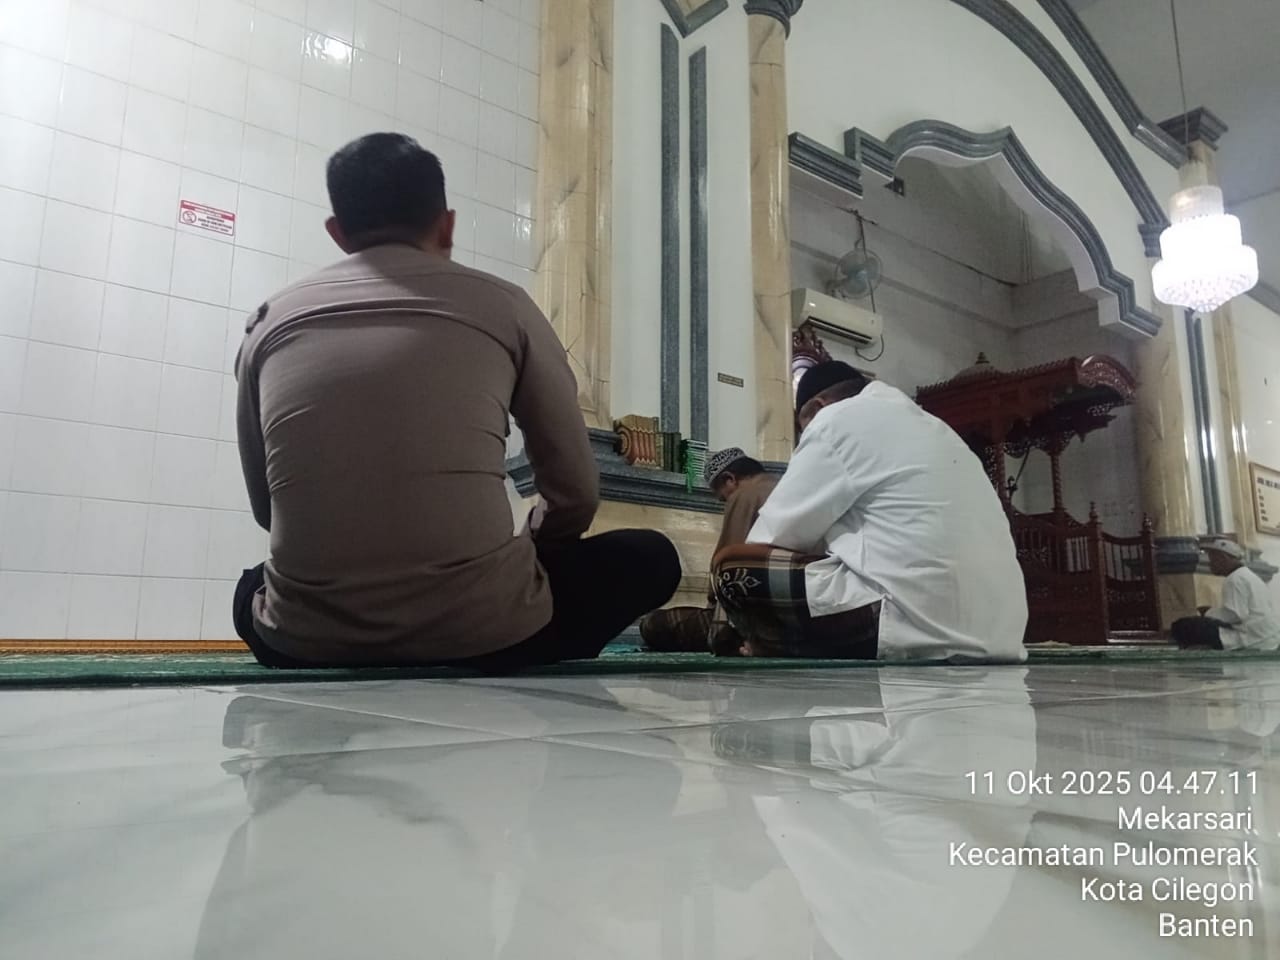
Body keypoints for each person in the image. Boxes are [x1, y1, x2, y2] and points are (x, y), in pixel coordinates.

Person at [233, 133, 681, 669]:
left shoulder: (267, 323)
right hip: (488, 634)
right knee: (651, 556)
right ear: (446, 225)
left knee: (249, 589)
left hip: (304, 638)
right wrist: (529, 549)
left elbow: (267, 509)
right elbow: (576, 495)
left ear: (338, 232)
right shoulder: (506, 305)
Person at [711, 361, 1028, 662]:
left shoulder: (834, 420)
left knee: (732, 568)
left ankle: (764, 644)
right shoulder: (933, 426)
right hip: (1001, 633)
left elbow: (770, 538)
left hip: (911, 626)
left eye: (803, 429)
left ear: (819, 408)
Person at [638, 448, 777, 653]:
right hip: (800, 617)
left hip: (756, 621)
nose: (724, 503)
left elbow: (726, 563)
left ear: (730, 479)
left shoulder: (744, 495)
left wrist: (714, 608)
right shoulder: (783, 486)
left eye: (722, 499)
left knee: (653, 623)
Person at [1171, 539, 1280, 651]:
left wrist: (1207, 613)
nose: (1210, 564)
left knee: (1183, 626)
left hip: (1251, 638)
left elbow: (1235, 615)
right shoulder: (1248, 576)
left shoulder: (1235, 579)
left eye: (1212, 560)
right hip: (1267, 635)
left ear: (1223, 558)